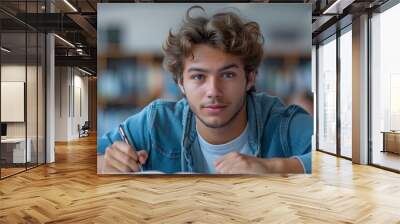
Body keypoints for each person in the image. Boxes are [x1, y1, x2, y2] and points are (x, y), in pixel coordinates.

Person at [97, 6, 313, 174]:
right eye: (199, 77)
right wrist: (107, 162)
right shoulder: (155, 122)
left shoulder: (282, 122)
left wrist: (272, 168)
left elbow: (337, 161)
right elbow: (90, 158)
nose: (213, 91)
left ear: (249, 78)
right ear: (180, 83)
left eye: (228, 75)